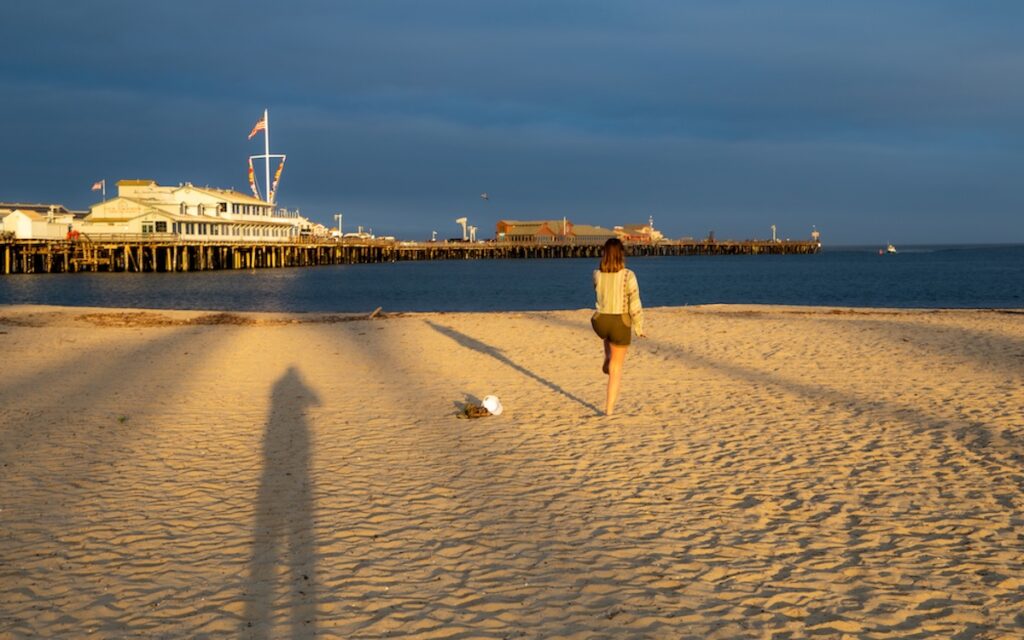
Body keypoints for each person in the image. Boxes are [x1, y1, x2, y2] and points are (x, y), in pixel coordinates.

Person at [591, 238, 645, 416]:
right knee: (616, 369)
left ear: (604, 254)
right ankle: (609, 410)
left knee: (608, 335)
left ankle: (607, 355)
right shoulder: (628, 275)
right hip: (619, 321)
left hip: (600, 321)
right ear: (621, 254)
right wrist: (639, 326)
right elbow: (634, 303)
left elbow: (600, 296)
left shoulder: (596, 275)